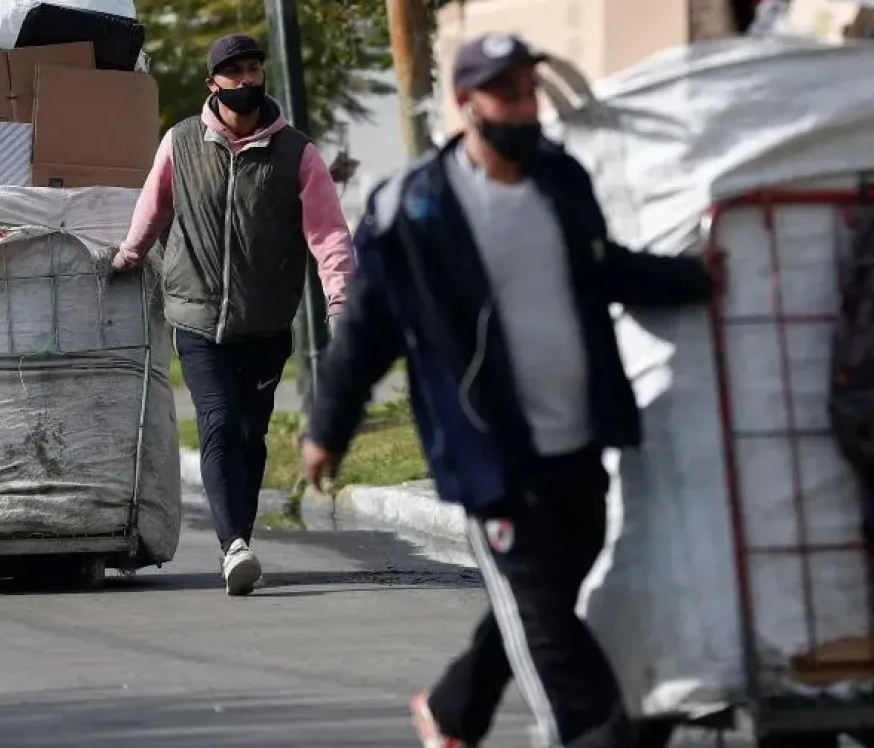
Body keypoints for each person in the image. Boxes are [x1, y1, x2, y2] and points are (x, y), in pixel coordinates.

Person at [301, 32, 724, 748]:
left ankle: (453, 708)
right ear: (467, 105)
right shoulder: (417, 207)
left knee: (552, 594)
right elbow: (370, 326)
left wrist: (697, 279)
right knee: (562, 652)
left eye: (530, 93)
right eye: (507, 95)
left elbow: (602, 267)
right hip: (491, 456)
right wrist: (327, 427)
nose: (525, 109)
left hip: (579, 440)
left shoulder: (559, 178)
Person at [114, 34, 354, 597]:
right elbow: (152, 207)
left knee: (250, 434)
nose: (247, 81)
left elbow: (329, 237)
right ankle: (234, 548)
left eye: (253, 70)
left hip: (266, 324)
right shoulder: (179, 144)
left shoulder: (297, 154)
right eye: (235, 73)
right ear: (212, 85)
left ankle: (239, 537)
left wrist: (341, 303)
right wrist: (127, 255)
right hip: (197, 320)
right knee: (219, 423)